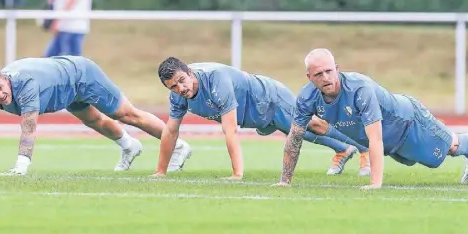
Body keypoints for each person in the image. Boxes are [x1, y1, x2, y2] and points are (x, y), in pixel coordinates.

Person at [274, 48, 468, 189]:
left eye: (329, 71)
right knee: (431, 158)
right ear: (309, 77)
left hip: (409, 120)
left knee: (452, 146)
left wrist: (375, 183)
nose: (326, 77)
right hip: (394, 141)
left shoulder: (360, 88)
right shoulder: (306, 98)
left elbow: (375, 137)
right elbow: (295, 137)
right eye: (319, 74)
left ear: (337, 68)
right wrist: (285, 181)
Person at [0, 56, 192, 176]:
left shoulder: (24, 85)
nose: (0, 96)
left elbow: (28, 128)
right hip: (63, 89)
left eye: (1, 89)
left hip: (80, 76)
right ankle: (129, 146)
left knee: (126, 114)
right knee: (93, 120)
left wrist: (20, 166)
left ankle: (179, 146)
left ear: (5, 78)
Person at [154, 57, 370, 179]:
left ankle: (364, 148)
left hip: (270, 97)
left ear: (190, 72)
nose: (180, 88)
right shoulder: (177, 97)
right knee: (298, 133)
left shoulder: (216, 81)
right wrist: (160, 172)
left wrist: (237, 174)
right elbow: (171, 130)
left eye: (182, 80)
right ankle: (343, 149)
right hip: (255, 115)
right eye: (173, 86)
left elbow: (230, 130)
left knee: (312, 125)